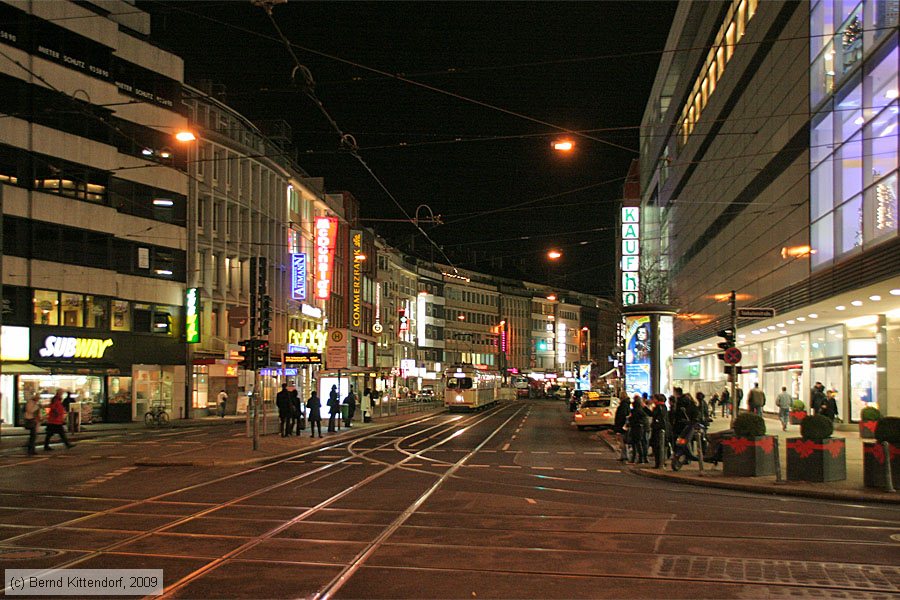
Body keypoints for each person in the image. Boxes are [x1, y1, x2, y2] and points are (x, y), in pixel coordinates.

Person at [628, 395, 652, 464]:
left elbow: (633, 420)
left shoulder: (635, 411)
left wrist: (629, 421)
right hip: (644, 428)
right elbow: (649, 414)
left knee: (637, 443)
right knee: (644, 443)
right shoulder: (642, 410)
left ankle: (639, 458)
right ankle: (644, 458)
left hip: (637, 428)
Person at [650, 393, 671, 469]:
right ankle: (660, 462)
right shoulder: (663, 407)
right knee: (659, 447)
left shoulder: (659, 407)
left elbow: (657, 417)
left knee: (658, 447)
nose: (653, 400)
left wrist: (654, 425)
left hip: (659, 430)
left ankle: (659, 463)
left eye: (654, 399)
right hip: (662, 430)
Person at [613, 393, 631, 461]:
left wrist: (618, 427)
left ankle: (625, 456)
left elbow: (621, 417)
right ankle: (624, 456)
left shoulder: (623, 406)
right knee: (624, 441)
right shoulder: (627, 405)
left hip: (622, 426)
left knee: (623, 441)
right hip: (624, 425)